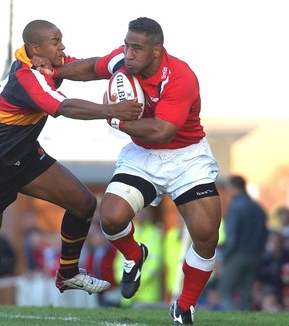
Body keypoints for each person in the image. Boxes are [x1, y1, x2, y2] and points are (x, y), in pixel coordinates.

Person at [0, 19, 143, 322]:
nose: (63, 47)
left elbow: (84, 67)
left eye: (60, 40)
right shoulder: (27, 79)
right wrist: (111, 110)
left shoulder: (45, 63)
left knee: (83, 203)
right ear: (36, 49)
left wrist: (120, 61)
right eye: (56, 42)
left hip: (24, 157)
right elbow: (65, 107)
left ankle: (67, 273)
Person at [35, 17, 221, 325]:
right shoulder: (123, 61)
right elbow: (92, 67)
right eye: (127, 46)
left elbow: (163, 131)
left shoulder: (180, 77)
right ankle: (134, 255)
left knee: (206, 236)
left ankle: (184, 306)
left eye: (137, 48)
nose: (129, 53)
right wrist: (56, 72)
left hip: (186, 158)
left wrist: (118, 120)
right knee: (111, 217)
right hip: (143, 156)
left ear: (157, 51)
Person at [218, 175, 268, 311]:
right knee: (246, 294)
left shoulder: (235, 207)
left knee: (225, 290)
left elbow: (232, 236)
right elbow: (265, 234)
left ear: (235, 188)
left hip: (237, 256)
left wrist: (225, 256)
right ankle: (247, 320)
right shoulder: (258, 208)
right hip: (255, 256)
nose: (227, 192)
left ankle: (233, 320)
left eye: (228, 188)